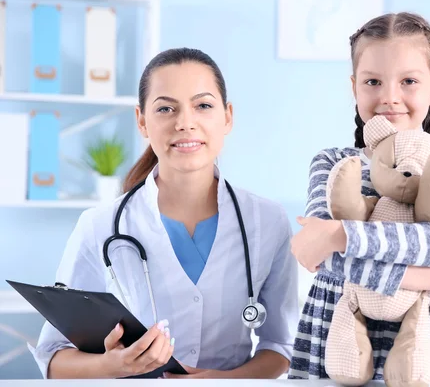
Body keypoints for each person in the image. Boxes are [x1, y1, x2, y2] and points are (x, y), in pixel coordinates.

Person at [29, 47, 298, 379]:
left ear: (227, 116)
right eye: (166, 108)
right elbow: (53, 358)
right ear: (142, 121)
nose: (185, 123)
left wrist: (219, 381)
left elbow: (280, 347)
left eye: (203, 105)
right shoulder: (99, 226)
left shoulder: (268, 222)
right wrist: (110, 365)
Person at [288, 12, 430, 381]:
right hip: (335, 341)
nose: (389, 97)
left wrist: (341, 235)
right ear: (354, 87)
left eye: (409, 81)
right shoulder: (334, 164)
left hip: (426, 345)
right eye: (372, 81)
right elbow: (320, 259)